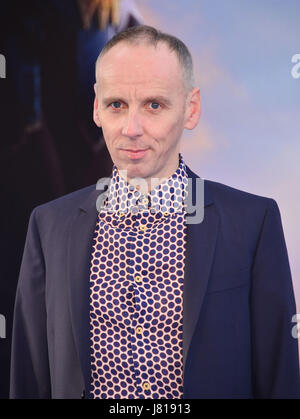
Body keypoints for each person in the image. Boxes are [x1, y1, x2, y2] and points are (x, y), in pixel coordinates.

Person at [10, 25, 300, 399]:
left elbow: (280, 380)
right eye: (117, 105)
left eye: (154, 105)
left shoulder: (253, 222)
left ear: (190, 109)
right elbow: (28, 379)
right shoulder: (48, 226)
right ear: (96, 107)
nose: (132, 128)